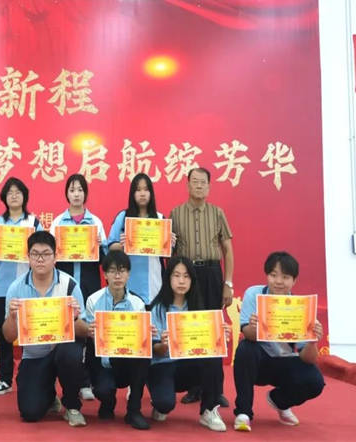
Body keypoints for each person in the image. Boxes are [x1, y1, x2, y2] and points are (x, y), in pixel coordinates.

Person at [3, 231, 89, 427]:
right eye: (35, 254)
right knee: (30, 412)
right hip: (34, 356)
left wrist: (74, 318)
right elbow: (8, 337)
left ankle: (72, 406)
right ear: (28, 257)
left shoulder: (70, 285)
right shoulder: (16, 288)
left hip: (63, 351)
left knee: (70, 353)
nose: (40, 259)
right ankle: (49, 395)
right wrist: (12, 318)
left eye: (46, 254)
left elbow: (85, 331)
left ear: (55, 257)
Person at [232, 252, 325, 432]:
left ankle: (280, 401)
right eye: (273, 275)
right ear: (267, 275)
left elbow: (308, 358)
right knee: (245, 349)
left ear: (294, 280)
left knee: (315, 381)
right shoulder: (254, 294)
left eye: (285, 277)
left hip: (286, 363)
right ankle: (243, 412)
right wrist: (255, 326)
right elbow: (247, 333)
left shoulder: (301, 308)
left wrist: (313, 341)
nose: (279, 281)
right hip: (259, 362)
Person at [170, 167, 233, 406]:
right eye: (194, 181)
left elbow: (227, 250)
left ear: (209, 186)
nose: (198, 186)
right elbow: (170, 251)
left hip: (212, 274)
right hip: (187, 277)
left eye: (203, 182)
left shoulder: (217, 213)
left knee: (213, 330)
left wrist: (228, 283)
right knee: (191, 329)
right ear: (187, 185)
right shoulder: (175, 214)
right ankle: (195, 387)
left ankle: (215, 390)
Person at [147, 256, 230, 432]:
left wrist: (220, 337)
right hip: (163, 365)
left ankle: (209, 410)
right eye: (176, 275)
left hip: (189, 365)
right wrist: (163, 345)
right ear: (168, 278)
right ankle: (160, 404)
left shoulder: (199, 309)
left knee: (213, 358)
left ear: (192, 280)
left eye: (186, 276)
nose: (181, 281)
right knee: (164, 404)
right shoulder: (157, 308)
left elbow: (209, 345)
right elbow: (153, 350)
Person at [50, 173, 108, 401]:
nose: (76, 194)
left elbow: (105, 260)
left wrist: (99, 247)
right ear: (67, 194)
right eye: (72, 190)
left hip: (89, 283)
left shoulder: (96, 223)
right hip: (65, 285)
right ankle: (71, 381)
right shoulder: (58, 223)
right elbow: (51, 257)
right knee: (67, 329)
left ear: (85, 194)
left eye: (80, 190)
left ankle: (89, 381)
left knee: (90, 329)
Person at [0, 177, 43, 397]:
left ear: (24, 196)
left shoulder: (34, 222)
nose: (14, 196)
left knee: (31, 333)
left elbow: (43, 252)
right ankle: (5, 378)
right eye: (10, 192)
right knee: (4, 334)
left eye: (18, 192)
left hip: (30, 286)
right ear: (4, 197)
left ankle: (32, 377)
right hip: (1, 286)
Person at [85, 250, 151, 429]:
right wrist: (91, 332)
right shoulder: (93, 300)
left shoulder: (137, 304)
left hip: (127, 361)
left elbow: (140, 342)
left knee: (145, 353)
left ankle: (134, 411)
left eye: (122, 271)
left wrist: (146, 334)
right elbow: (91, 341)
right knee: (103, 389)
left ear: (128, 274)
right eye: (113, 271)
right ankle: (107, 402)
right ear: (105, 274)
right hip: (103, 361)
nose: (117, 276)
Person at [108, 173, 165, 304]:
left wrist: (170, 242)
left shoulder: (160, 219)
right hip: (129, 278)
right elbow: (110, 246)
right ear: (132, 194)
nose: (142, 194)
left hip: (154, 280)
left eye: (146, 189)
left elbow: (168, 252)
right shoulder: (123, 217)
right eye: (138, 190)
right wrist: (123, 245)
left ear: (151, 193)